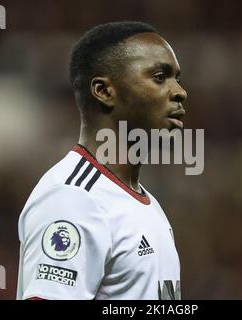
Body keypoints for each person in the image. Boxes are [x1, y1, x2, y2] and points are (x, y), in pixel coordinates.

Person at [16, 21, 187, 300]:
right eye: (159, 77)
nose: (180, 91)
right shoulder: (74, 198)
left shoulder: (145, 204)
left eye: (177, 79)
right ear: (104, 91)